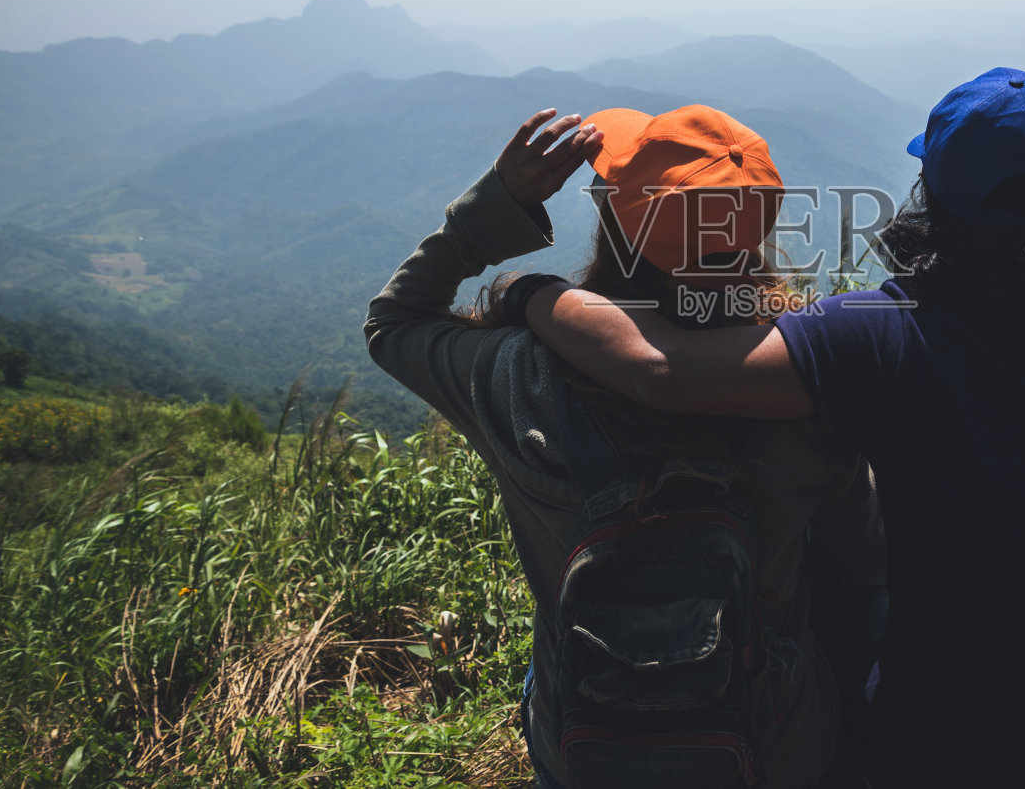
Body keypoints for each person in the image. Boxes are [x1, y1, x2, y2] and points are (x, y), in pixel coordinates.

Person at [517, 69, 1025, 788]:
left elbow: (662, 371)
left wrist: (530, 291)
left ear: (939, 198)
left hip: (952, 748)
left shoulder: (883, 336)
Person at [365, 104, 884, 789]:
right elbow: (865, 568)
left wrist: (497, 209)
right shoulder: (805, 385)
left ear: (613, 231)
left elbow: (394, 322)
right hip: (776, 748)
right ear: (757, 233)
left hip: (587, 744)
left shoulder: (521, 378)